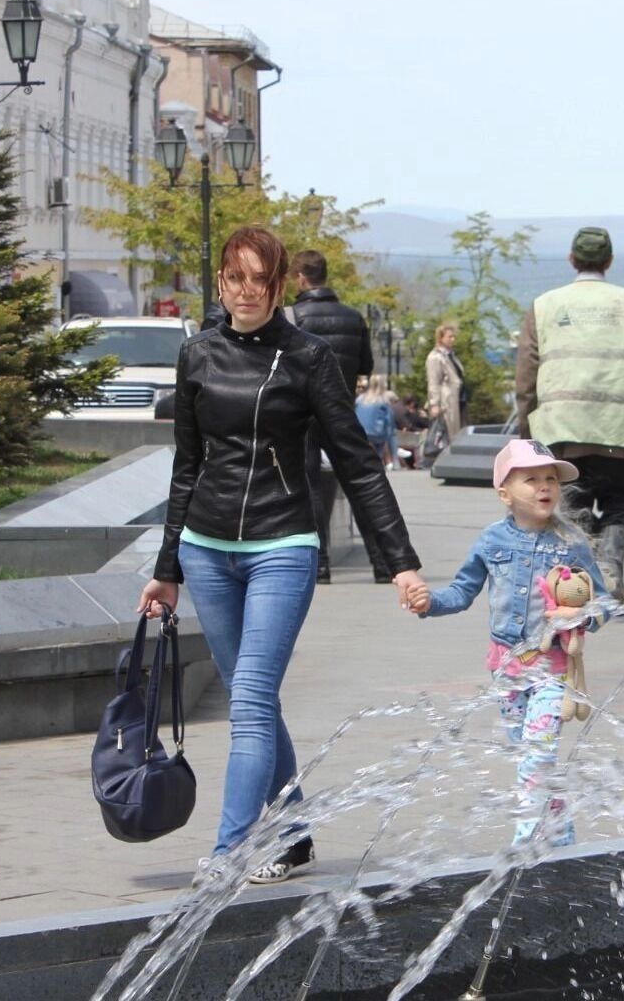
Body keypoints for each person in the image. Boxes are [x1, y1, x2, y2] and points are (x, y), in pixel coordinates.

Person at [137, 225, 427, 884]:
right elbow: (187, 467)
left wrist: (400, 561)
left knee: (250, 699)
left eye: (259, 281)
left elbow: (357, 463)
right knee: (253, 700)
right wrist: (167, 570)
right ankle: (292, 835)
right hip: (208, 550)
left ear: (277, 285)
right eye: (234, 278)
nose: (246, 292)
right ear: (219, 281)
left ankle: (231, 848)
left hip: (282, 546)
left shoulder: (308, 357)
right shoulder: (198, 356)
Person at [403, 439, 608, 848]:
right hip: (507, 671)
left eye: (550, 479)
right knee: (531, 759)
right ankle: (563, 837)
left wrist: (581, 615)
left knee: (538, 754)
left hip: (553, 670)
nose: (544, 487)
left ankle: (523, 845)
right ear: (504, 493)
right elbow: (463, 592)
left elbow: (603, 602)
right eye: (530, 479)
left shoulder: (571, 543)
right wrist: (429, 603)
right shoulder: (491, 540)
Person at [514, 227, 624, 600]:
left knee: (572, 504)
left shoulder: (544, 305)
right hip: (617, 428)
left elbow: (526, 377)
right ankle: (610, 566)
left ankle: (577, 584)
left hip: (560, 430)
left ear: (571, 259)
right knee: (618, 500)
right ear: (609, 261)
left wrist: (526, 430)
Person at [285, 250, 389, 584]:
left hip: (301, 415)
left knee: (310, 484)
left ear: (301, 278)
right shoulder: (353, 317)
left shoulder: (291, 317)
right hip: (341, 409)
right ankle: (383, 562)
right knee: (359, 483)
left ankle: (320, 564)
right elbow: (366, 367)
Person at [426, 322, 467, 442]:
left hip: (457, 398)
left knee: (457, 430)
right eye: (449, 337)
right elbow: (433, 382)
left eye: (454, 337)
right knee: (447, 432)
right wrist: (434, 404)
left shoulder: (451, 355)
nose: (452, 340)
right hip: (446, 400)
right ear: (441, 338)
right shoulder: (435, 357)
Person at [355, 374, 397, 467]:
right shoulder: (383, 401)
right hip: (377, 433)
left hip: (360, 432)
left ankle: (376, 462)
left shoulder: (359, 399)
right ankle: (392, 460)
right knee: (387, 436)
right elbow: (389, 421)